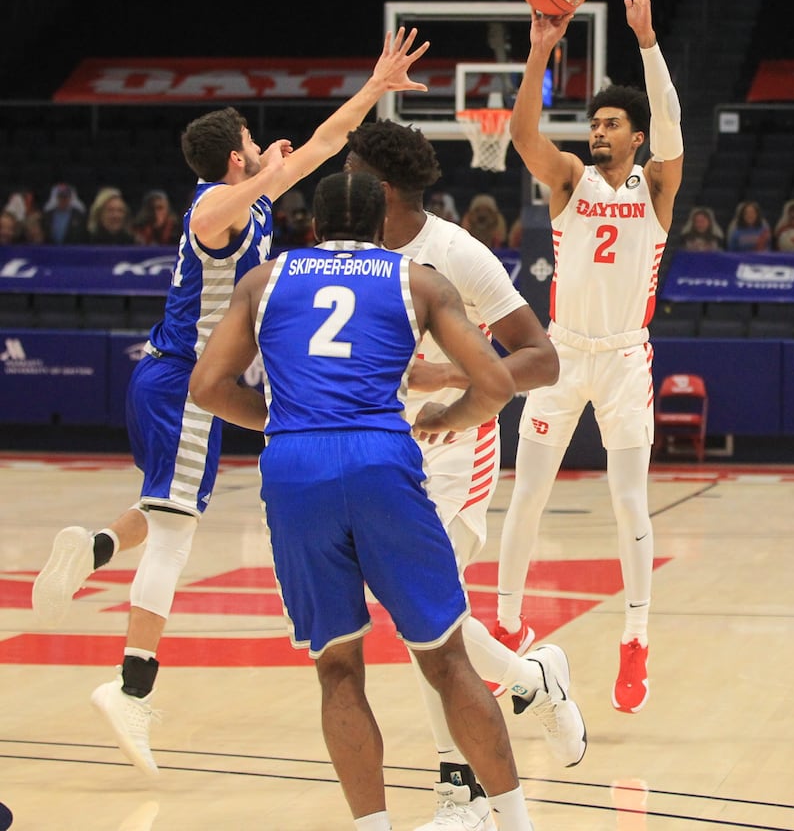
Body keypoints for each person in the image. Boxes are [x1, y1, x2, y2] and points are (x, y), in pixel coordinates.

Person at [31, 27, 431, 776]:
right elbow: (228, 206)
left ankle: (93, 549)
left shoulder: (243, 200)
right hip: (183, 382)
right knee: (178, 536)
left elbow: (319, 144)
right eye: (252, 143)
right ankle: (130, 688)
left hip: (185, 386)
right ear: (233, 156)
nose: (264, 147)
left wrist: (374, 90)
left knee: (168, 512)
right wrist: (266, 175)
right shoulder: (214, 206)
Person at [188, 169, 537, 831]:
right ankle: (517, 824)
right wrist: (450, 415)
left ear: (312, 225)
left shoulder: (264, 282)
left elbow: (207, 386)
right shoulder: (418, 280)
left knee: (339, 668)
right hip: (381, 458)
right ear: (383, 226)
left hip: (296, 470)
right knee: (446, 659)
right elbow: (496, 381)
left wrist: (284, 420)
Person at [343, 119, 585, 831]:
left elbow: (542, 359)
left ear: (380, 188)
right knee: (426, 621)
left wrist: (453, 380)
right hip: (385, 452)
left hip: (459, 443)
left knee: (428, 619)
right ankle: (533, 679)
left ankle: (463, 798)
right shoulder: (351, 253)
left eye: (352, 172)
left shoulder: (456, 253)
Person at [493, 0, 685, 715]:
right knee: (529, 493)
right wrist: (540, 52)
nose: (597, 131)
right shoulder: (571, 180)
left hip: (625, 359)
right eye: (594, 122)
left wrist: (647, 43)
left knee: (628, 499)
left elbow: (671, 134)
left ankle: (636, 638)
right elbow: (520, 136)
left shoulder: (656, 189)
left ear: (634, 138)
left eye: (611, 124)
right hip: (561, 354)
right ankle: (508, 626)